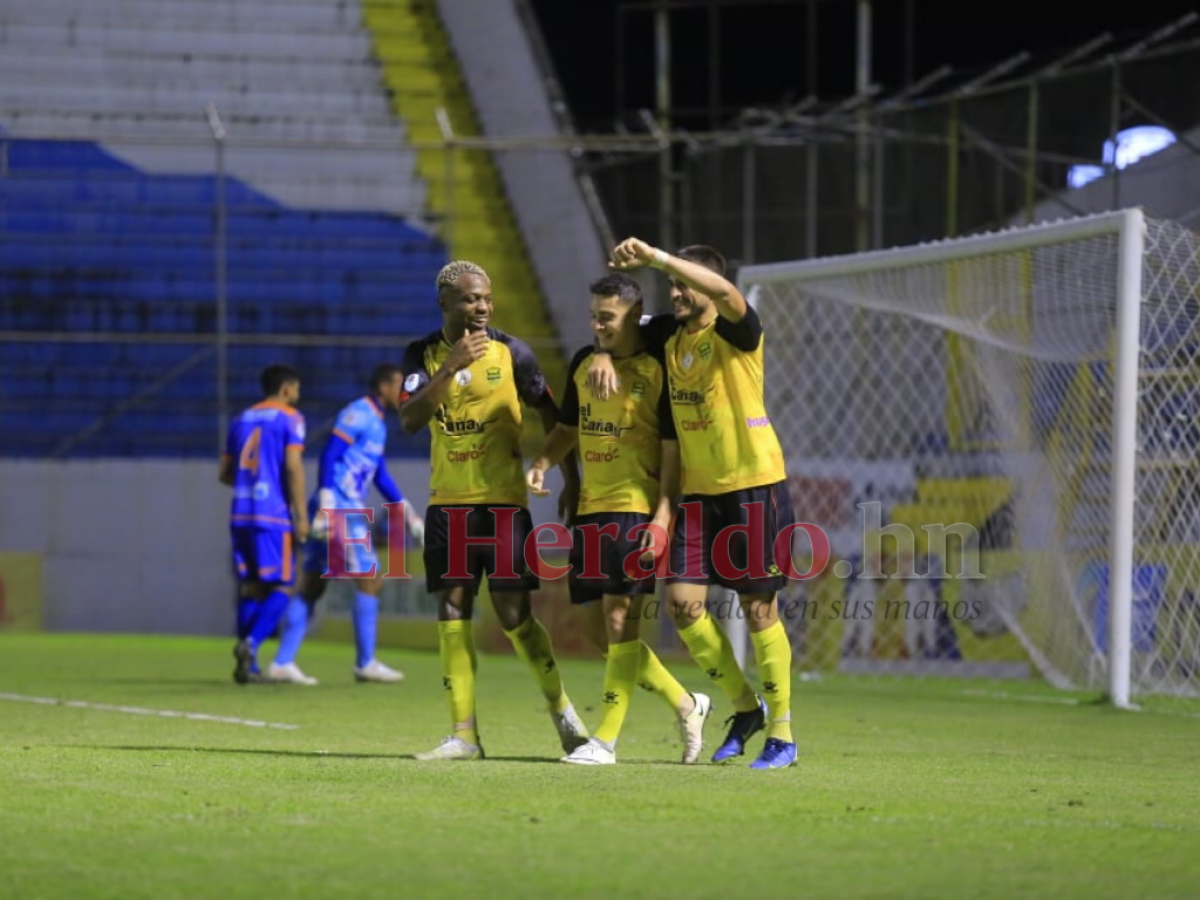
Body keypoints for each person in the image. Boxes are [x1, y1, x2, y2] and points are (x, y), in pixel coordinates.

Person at [591, 238, 798, 769]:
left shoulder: (737, 330)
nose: (676, 292)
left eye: (684, 285)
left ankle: (782, 734)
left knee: (758, 609)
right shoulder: (666, 335)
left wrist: (658, 258)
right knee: (683, 606)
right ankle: (743, 707)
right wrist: (598, 351)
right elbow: (616, 330)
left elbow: (727, 290)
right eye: (672, 286)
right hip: (700, 495)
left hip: (754, 484)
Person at [398, 259, 587, 761]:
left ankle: (562, 711)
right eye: (469, 298)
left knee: (513, 615)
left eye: (485, 297)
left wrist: (570, 478)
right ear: (445, 303)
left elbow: (555, 413)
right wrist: (450, 367)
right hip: (448, 504)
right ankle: (464, 735)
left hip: (503, 504)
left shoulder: (514, 352)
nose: (481, 306)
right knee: (452, 608)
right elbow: (411, 418)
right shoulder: (421, 355)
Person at [526, 272, 712, 765]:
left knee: (617, 621)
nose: (598, 326)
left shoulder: (660, 368)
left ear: (632, 315)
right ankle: (687, 703)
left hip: (636, 506)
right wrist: (544, 463)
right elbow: (569, 427)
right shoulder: (585, 362)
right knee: (594, 634)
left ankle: (604, 740)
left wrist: (663, 514)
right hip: (591, 507)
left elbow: (672, 452)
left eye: (606, 318)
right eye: (593, 317)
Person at [266, 364, 426, 686]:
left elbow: (379, 474)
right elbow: (329, 454)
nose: (404, 393)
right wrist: (326, 498)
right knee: (371, 580)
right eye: (399, 385)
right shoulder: (358, 412)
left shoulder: (377, 424)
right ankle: (365, 663)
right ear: (382, 386)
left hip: (333, 507)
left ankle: (282, 662)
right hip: (339, 507)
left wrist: (406, 513)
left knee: (312, 585)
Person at [219, 363, 309, 684]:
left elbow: (225, 474)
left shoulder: (240, 419)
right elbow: (294, 468)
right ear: (286, 389)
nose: (297, 397)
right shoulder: (290, 418)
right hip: (273, 515)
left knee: (252, 587)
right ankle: (251, 644)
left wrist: (252, 480)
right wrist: (300, 516)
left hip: (241, 512)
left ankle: (248, 665)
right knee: (285, 584)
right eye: (296, 391)